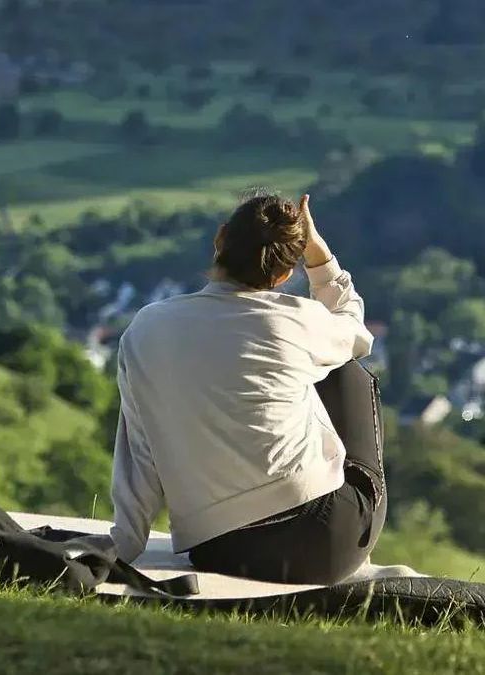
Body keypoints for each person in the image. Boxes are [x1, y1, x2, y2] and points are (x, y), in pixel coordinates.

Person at [108, 191, 386, 585]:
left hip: (219, 550)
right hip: (322, 544)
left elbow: (140, 448)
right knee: (345, 370)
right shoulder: (299, 321)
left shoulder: (147, 328)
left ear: (220, 238)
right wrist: (320, 260)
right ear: (285, 275)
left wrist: (126, 540)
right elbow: (355, 331)